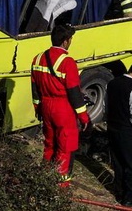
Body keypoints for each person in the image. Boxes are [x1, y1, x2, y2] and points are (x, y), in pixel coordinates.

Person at [31, 24, 90, 186]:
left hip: (45, 106)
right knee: (65, 147)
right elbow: (74, 93)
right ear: (65, 41)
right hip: (63, 109)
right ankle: (60, 186)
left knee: (49, 144)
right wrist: (83, 117)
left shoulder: (37, 58)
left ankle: (44, 179)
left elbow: (34, 88)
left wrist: (38, 108)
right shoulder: (67, 62)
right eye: (70, 39)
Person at [106, 62, 132, 206]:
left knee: (117, 162)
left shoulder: (112, 83)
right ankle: (129, 198)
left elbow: (106, 105)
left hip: (112, 127)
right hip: (127, 130)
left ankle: (119, 192)